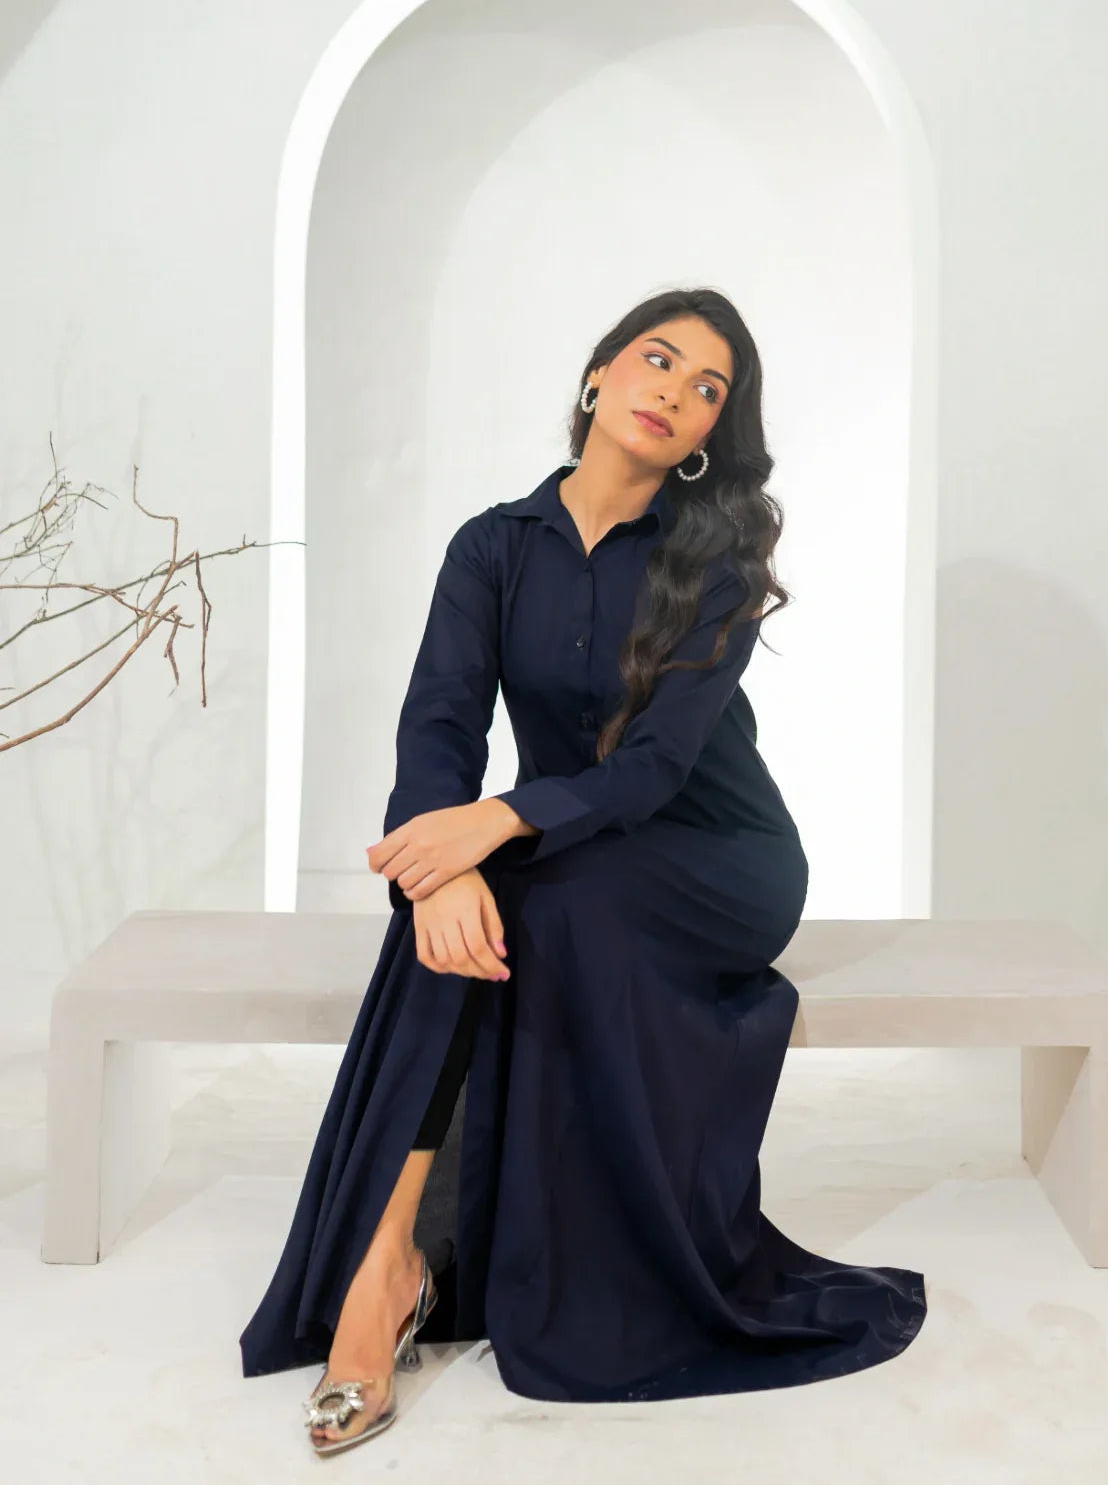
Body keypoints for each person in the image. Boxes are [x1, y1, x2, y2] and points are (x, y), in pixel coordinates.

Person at [238, 287, 927, 1455]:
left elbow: (656, 770)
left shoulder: (716, 557)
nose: (674, 390)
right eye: (658, 359)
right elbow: (438, 725)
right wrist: (436, 865)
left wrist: (492, 826)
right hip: (557, 840)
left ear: (711, 431)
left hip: (719, 856)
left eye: (707, 386)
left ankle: (414, 1264)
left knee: (531, 892)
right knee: (464, 908)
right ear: (599, 374)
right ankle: (385, 1259)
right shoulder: (493, 547)